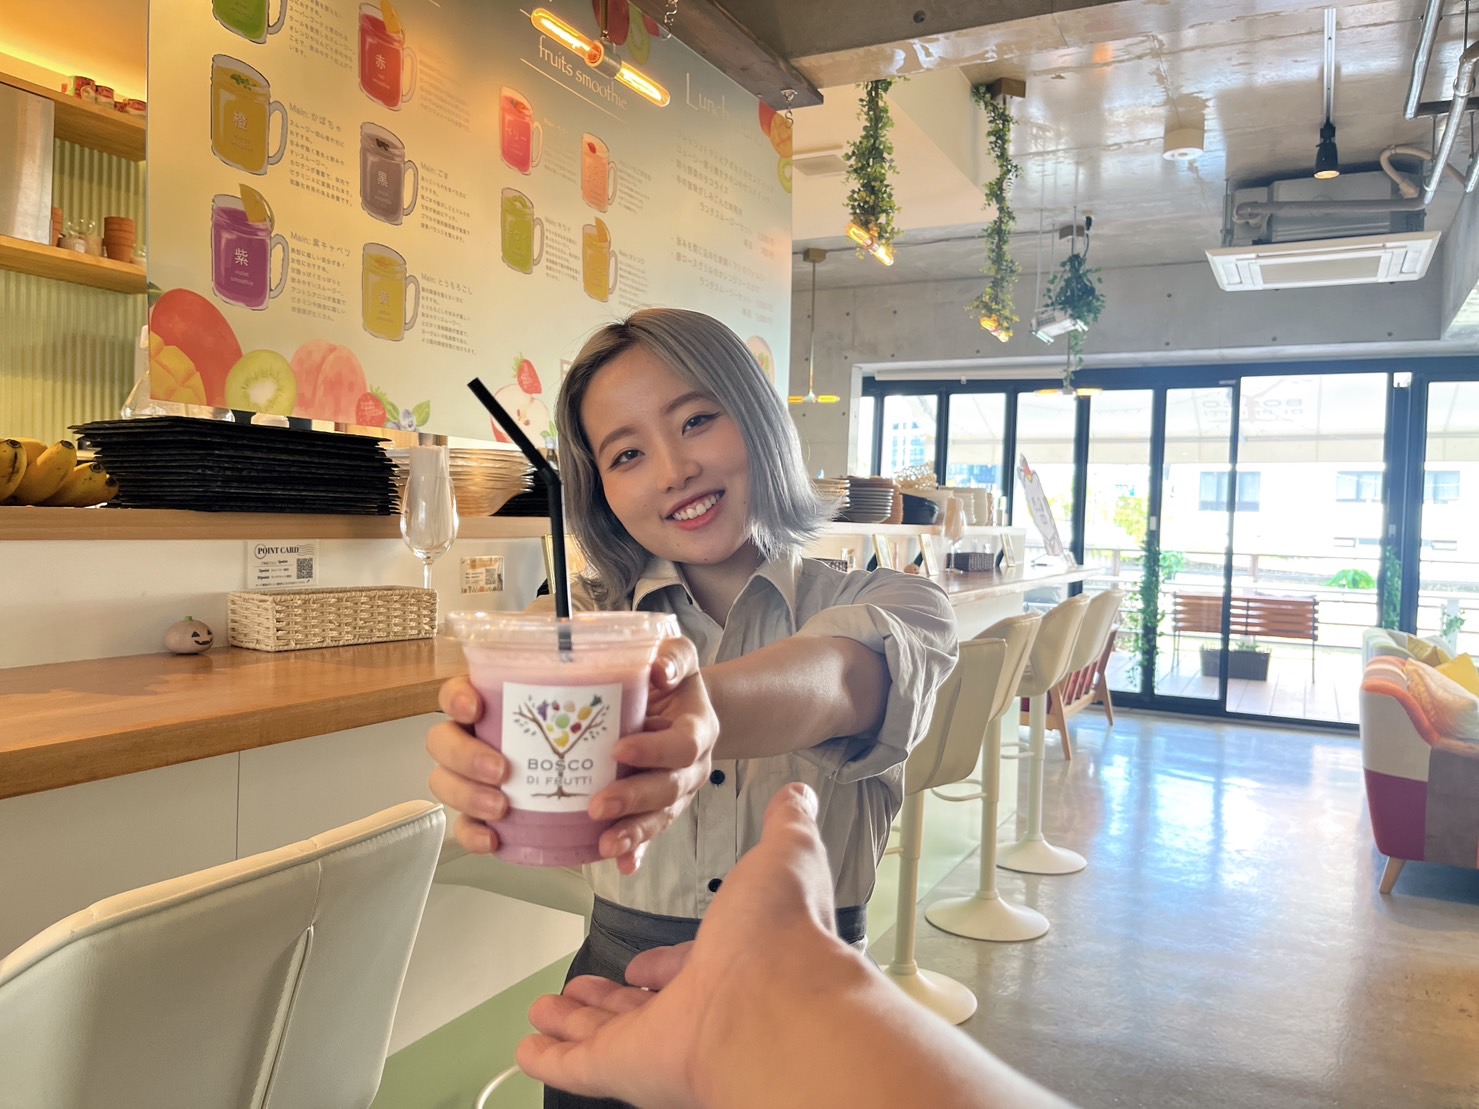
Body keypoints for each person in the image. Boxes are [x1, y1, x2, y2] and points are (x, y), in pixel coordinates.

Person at [427, 308, 958, 1106]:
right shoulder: (576, 626)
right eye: (627, 453)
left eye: (697, 420)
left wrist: (696, 711)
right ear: (600, 489)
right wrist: (486, 766)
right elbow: (515, 720)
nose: (673, 469)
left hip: (811, 1015)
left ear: (757, 419)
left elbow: (841, 680)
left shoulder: (897, 600)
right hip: (612, 1004)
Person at [517, 782, 1075, 1109]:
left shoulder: (884, 612)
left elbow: (846, 677)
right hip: (609, 980)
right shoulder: (588, 621)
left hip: (817, 981)